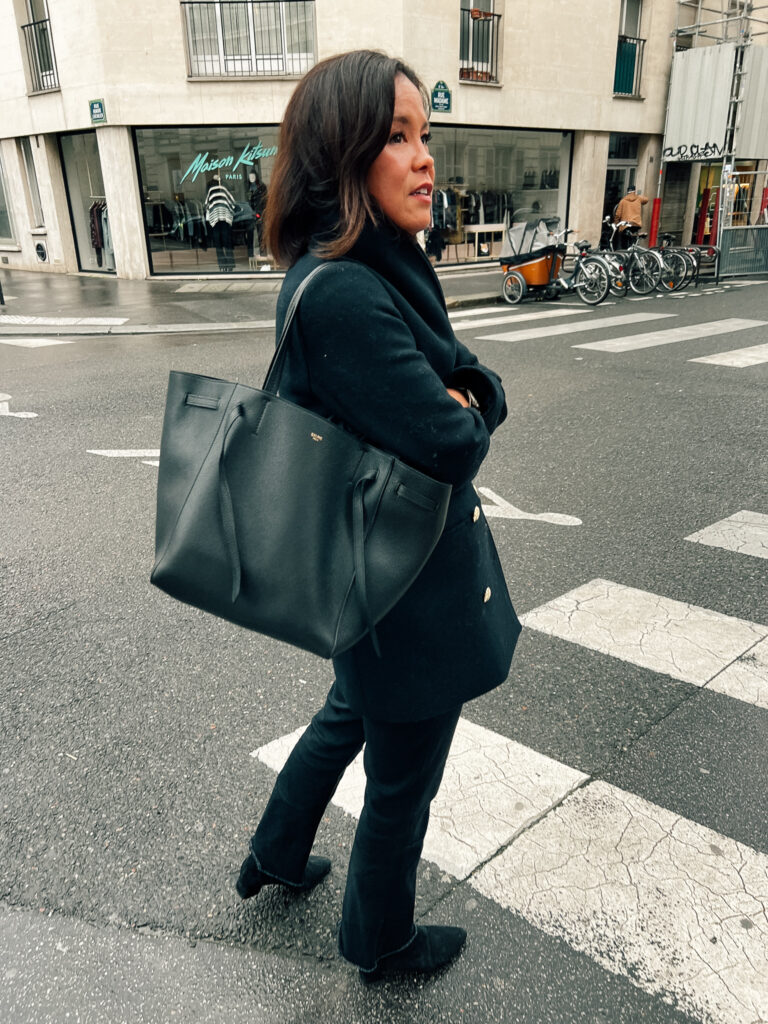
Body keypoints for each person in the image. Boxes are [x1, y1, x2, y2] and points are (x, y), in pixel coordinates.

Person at [235, 50, 521, 982]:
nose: (424, 158)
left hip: (374, 573)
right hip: (401, 589)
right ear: (343, 154)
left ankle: (275, 854)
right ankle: (381, 942)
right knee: (402, 783)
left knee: (347, 714)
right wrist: (469, 398)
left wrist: (462, 385)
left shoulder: (375, 268)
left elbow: (457, 377)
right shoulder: (352, 291)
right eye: (397, 138)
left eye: (424, 136)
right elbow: (450, 438)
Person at [204, 175, 236, 271]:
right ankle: (229, 265)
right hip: (225, 217)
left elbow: (207, 204)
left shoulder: (210, 188)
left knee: (219, 243)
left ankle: (222, 266)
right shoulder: (223, 186)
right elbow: (232, 202)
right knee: (227, 242)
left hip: (215, 218)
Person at [613, 184, 648, 250]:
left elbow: (618, 214)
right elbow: (646, 199)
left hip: (626, 225)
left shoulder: (623, 201)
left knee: (624, 243)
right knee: (633, 240)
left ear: (627, 191)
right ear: (634, 191)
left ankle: (626, 255)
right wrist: (637, 195)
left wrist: (616, 223)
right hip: (636, 224)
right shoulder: (638, 198)